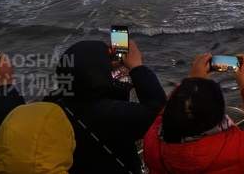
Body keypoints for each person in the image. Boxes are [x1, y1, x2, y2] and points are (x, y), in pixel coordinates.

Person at [143, 53, 244, 174]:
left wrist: (192, 84)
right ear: (219, 117)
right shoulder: (235, 149)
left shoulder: (152, 143)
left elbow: (165, 114)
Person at [48, 38, 166, 172]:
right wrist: (137, 67)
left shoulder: (55, 105)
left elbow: (89, 89)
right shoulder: (112, 116)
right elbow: (157, 107)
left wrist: (105, 70)